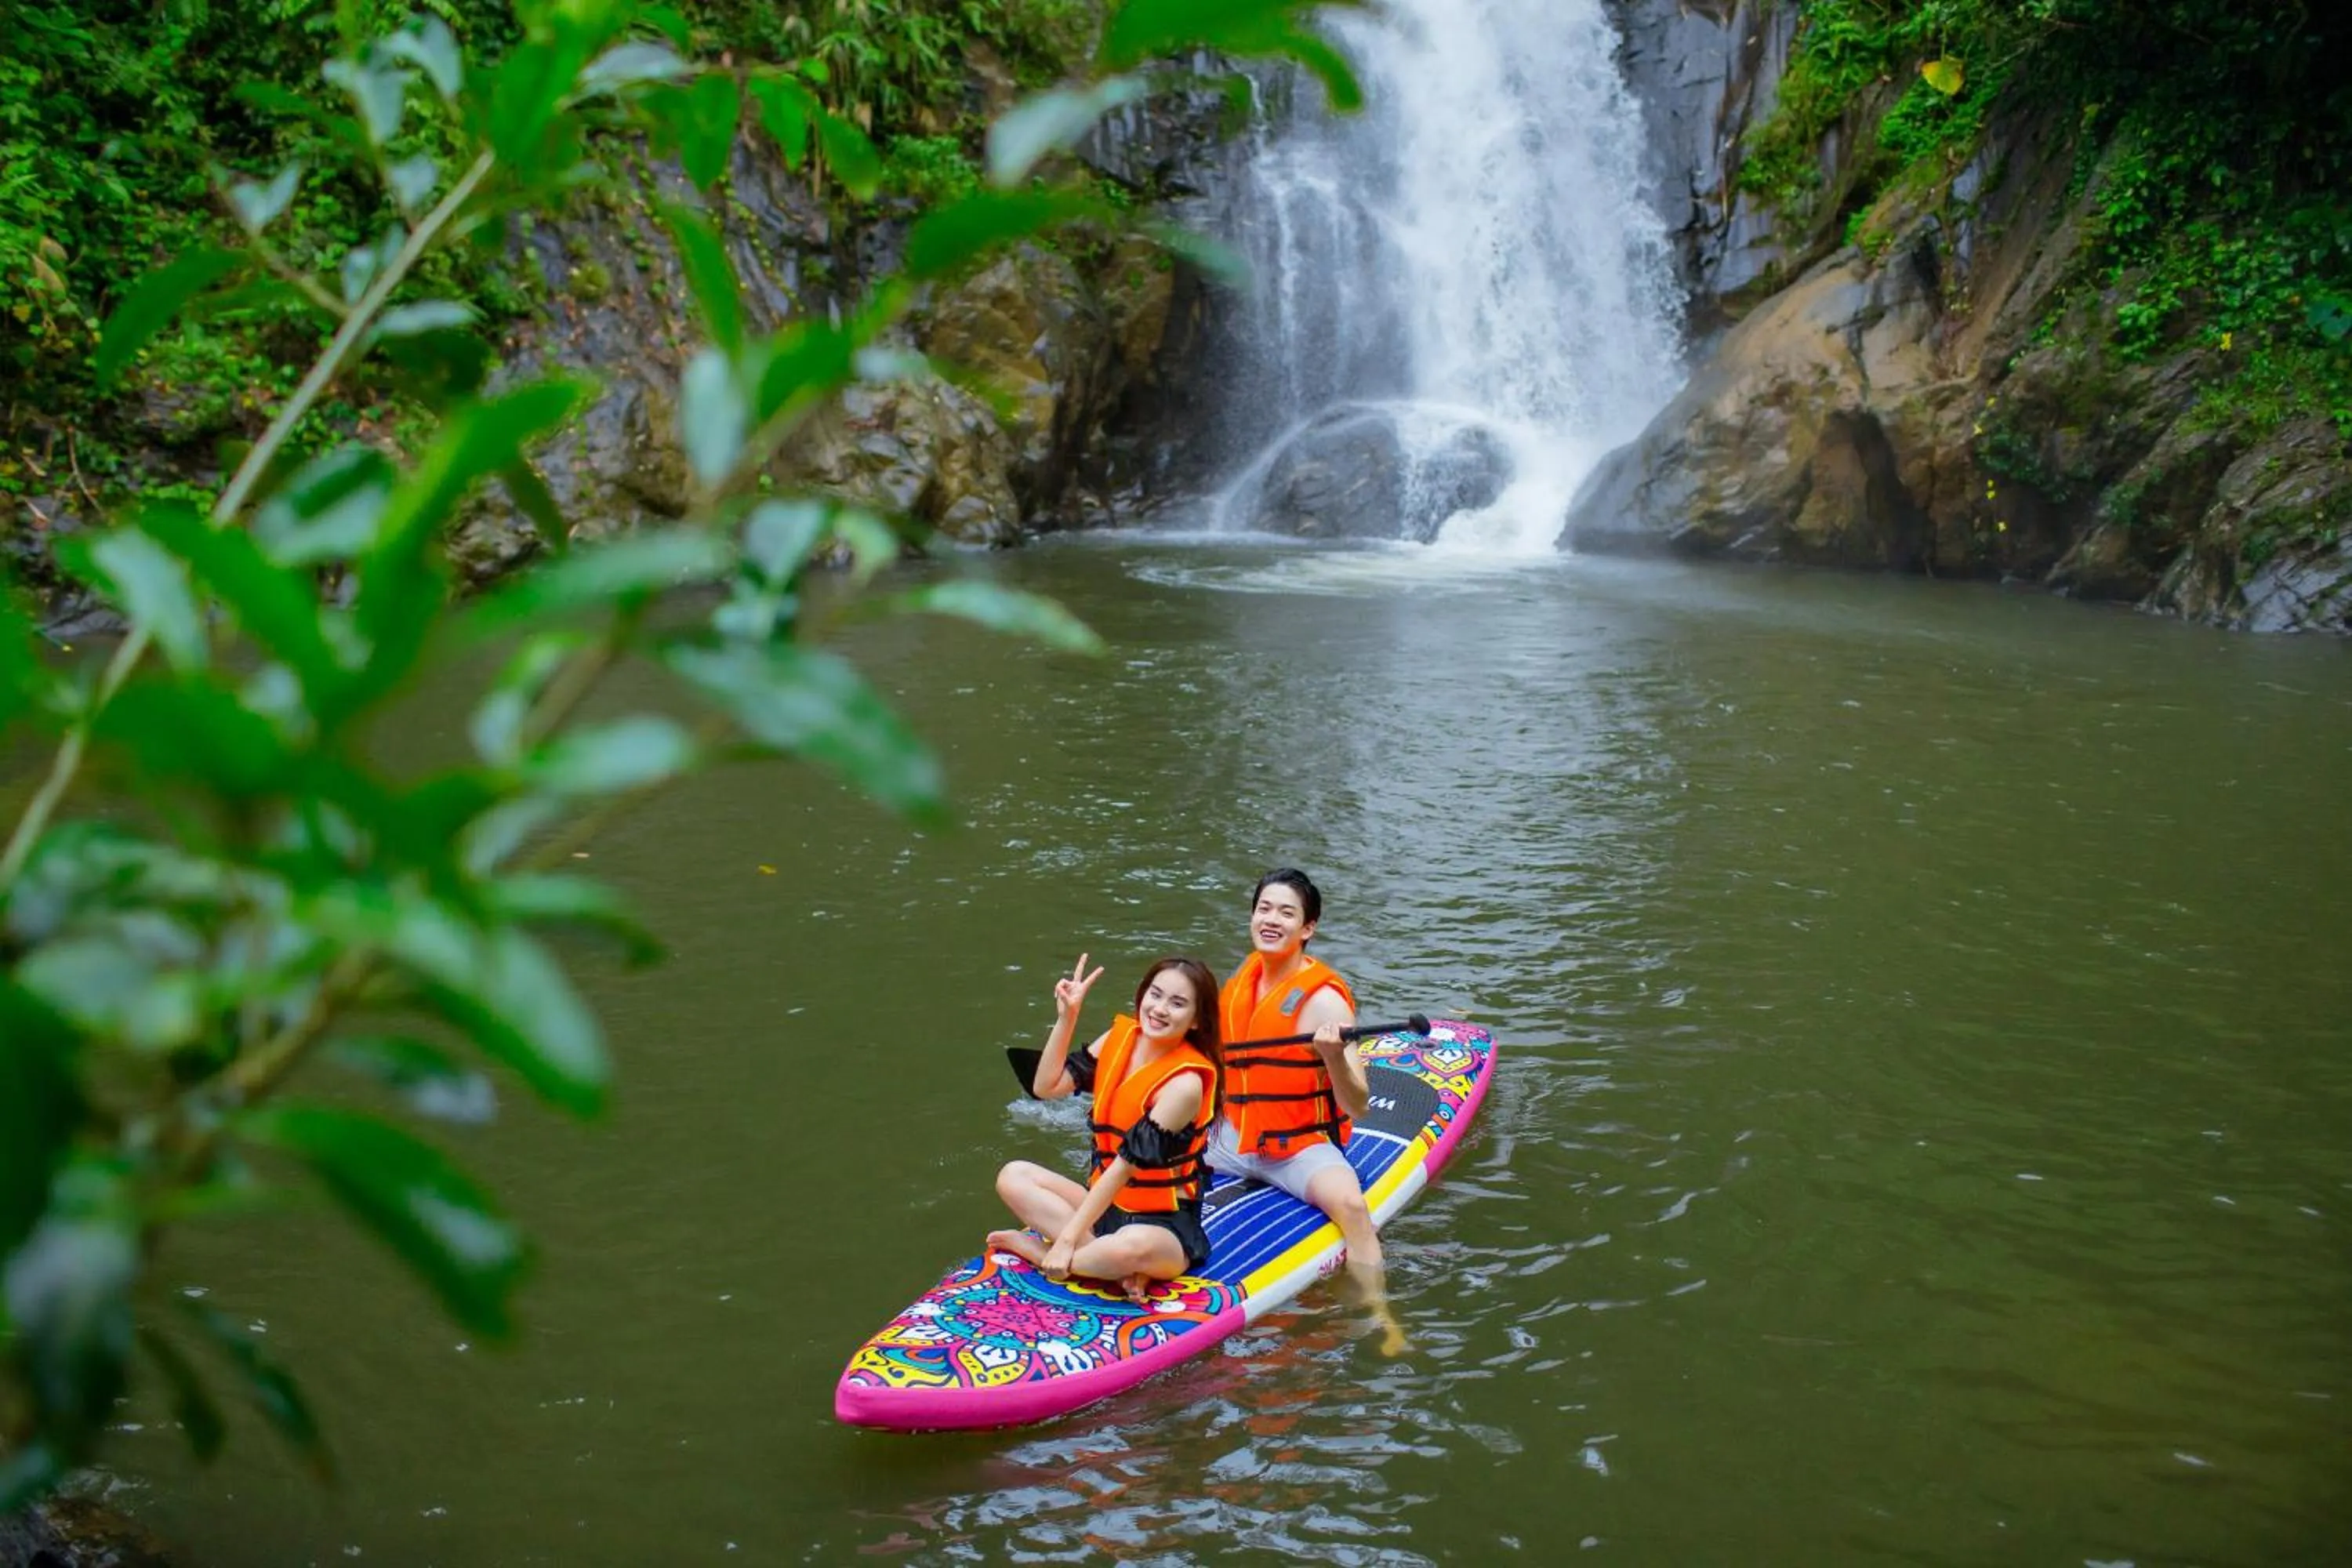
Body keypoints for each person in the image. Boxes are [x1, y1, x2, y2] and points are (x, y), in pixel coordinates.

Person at [1210, 868, 1406, 1355]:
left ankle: (1381, 1316)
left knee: (1353, 1210)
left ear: (1308, 928)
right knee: (1147, 1152)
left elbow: (1357, 1105)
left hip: (1297, 1148)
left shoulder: (1325, 1002)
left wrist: (1334, 1056)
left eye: (1286, 913)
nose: (1271, 920)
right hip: (1232, 1136)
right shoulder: (1241, 981)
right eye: (1264, 909)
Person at [989, 954, 1223, 1301]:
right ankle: (1111, 1268)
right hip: (1105, 1211)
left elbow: (1123, 1168)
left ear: (1196, 1020)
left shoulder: (1186, 1084)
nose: (1159, 1009)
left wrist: (1065, 1241)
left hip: (1162, 1227)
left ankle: (1045, 1256)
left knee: (1127, 1248)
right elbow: (1046, 1087)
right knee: (1013, 1175)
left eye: (1177, 1003)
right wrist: (1067, 1017)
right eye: (1155, 994)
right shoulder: (1120, 1037)